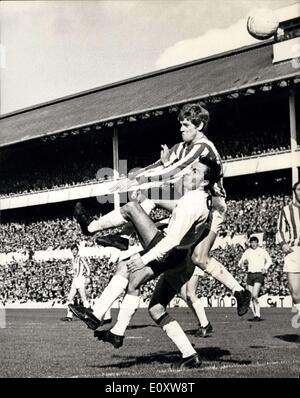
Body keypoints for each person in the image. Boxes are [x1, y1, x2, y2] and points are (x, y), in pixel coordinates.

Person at [71, 162, 251, 369]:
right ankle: (189, 354)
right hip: (181, 260)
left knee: (131, 208)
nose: (189, 172)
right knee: (154, 306)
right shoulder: (200, 200)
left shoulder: (193, 203)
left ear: (205, 181)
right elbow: (181, 221)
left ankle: (91, 228)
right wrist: (156, 194)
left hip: (170, 252)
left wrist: (145, 259)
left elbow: (172, 239)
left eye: (195, 171)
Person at [277, 180, 300, 322]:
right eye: (298, 190)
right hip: (294, 252)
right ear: (294, 192)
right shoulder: (286, 210)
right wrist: (283, 244)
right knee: (295, 293)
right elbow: (279, 230)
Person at [238, 236, 272, 322]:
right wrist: (241, 265)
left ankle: (258, 315)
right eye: (252, 242)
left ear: (257, 243)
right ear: (250, 243)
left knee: (254, 296)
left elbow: (269, 260)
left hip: (259, 274)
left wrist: (265, 268)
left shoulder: (262, 251)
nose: (253, 244)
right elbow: (241, 261)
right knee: (250, 297)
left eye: (255, 242)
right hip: (250, 275)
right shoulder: (247, 252)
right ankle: (255, 315)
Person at [60, 244, 92, 322]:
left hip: (80, 279)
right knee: (70, 298)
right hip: (75, 280)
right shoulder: (73, 259)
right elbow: (74, 271)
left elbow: (88, 267)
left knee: (84, 298)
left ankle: (90, 316)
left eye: (75, 250)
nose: (74, 251)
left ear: (77, 250)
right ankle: (69, 316)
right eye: (73, 250)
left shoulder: (80, 258)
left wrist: (87, 276)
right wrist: (68, 272)